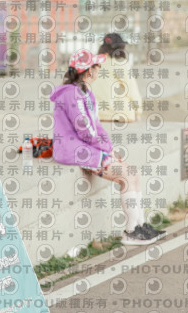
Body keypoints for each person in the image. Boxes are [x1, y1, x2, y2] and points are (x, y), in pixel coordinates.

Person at [50, 50, 165, 245]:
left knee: (133, 173)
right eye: (97, 66)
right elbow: (85, 130)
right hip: (75, 150)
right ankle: (131, 231)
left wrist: (109, 147)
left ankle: (140, 225)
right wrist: (106, 149)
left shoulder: (85, 93)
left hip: (87, 147)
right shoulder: (71, 95)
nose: (99, 69)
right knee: (125, 176)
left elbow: (96, 126)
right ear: (89, 71)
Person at [90, 33, 143, 122]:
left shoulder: (93, 63)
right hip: (120, 113)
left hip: (95, 113)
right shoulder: (120, 64)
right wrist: (138, 112)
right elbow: (132, 90)